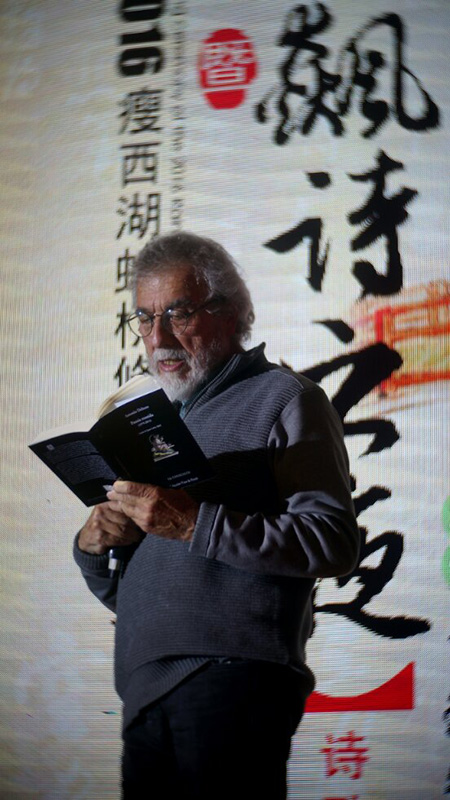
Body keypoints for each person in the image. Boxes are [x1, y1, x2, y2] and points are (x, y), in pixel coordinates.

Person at [73, 231, 360, 799]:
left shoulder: (285, 398)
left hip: (235, 676)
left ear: (231, 312)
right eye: (144, 317)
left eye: (177, 312)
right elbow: (156, 586)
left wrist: (190, 523)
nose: (157, 337)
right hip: (143, 689)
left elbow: (332, 542)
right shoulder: (158, 422)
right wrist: (94, 549)